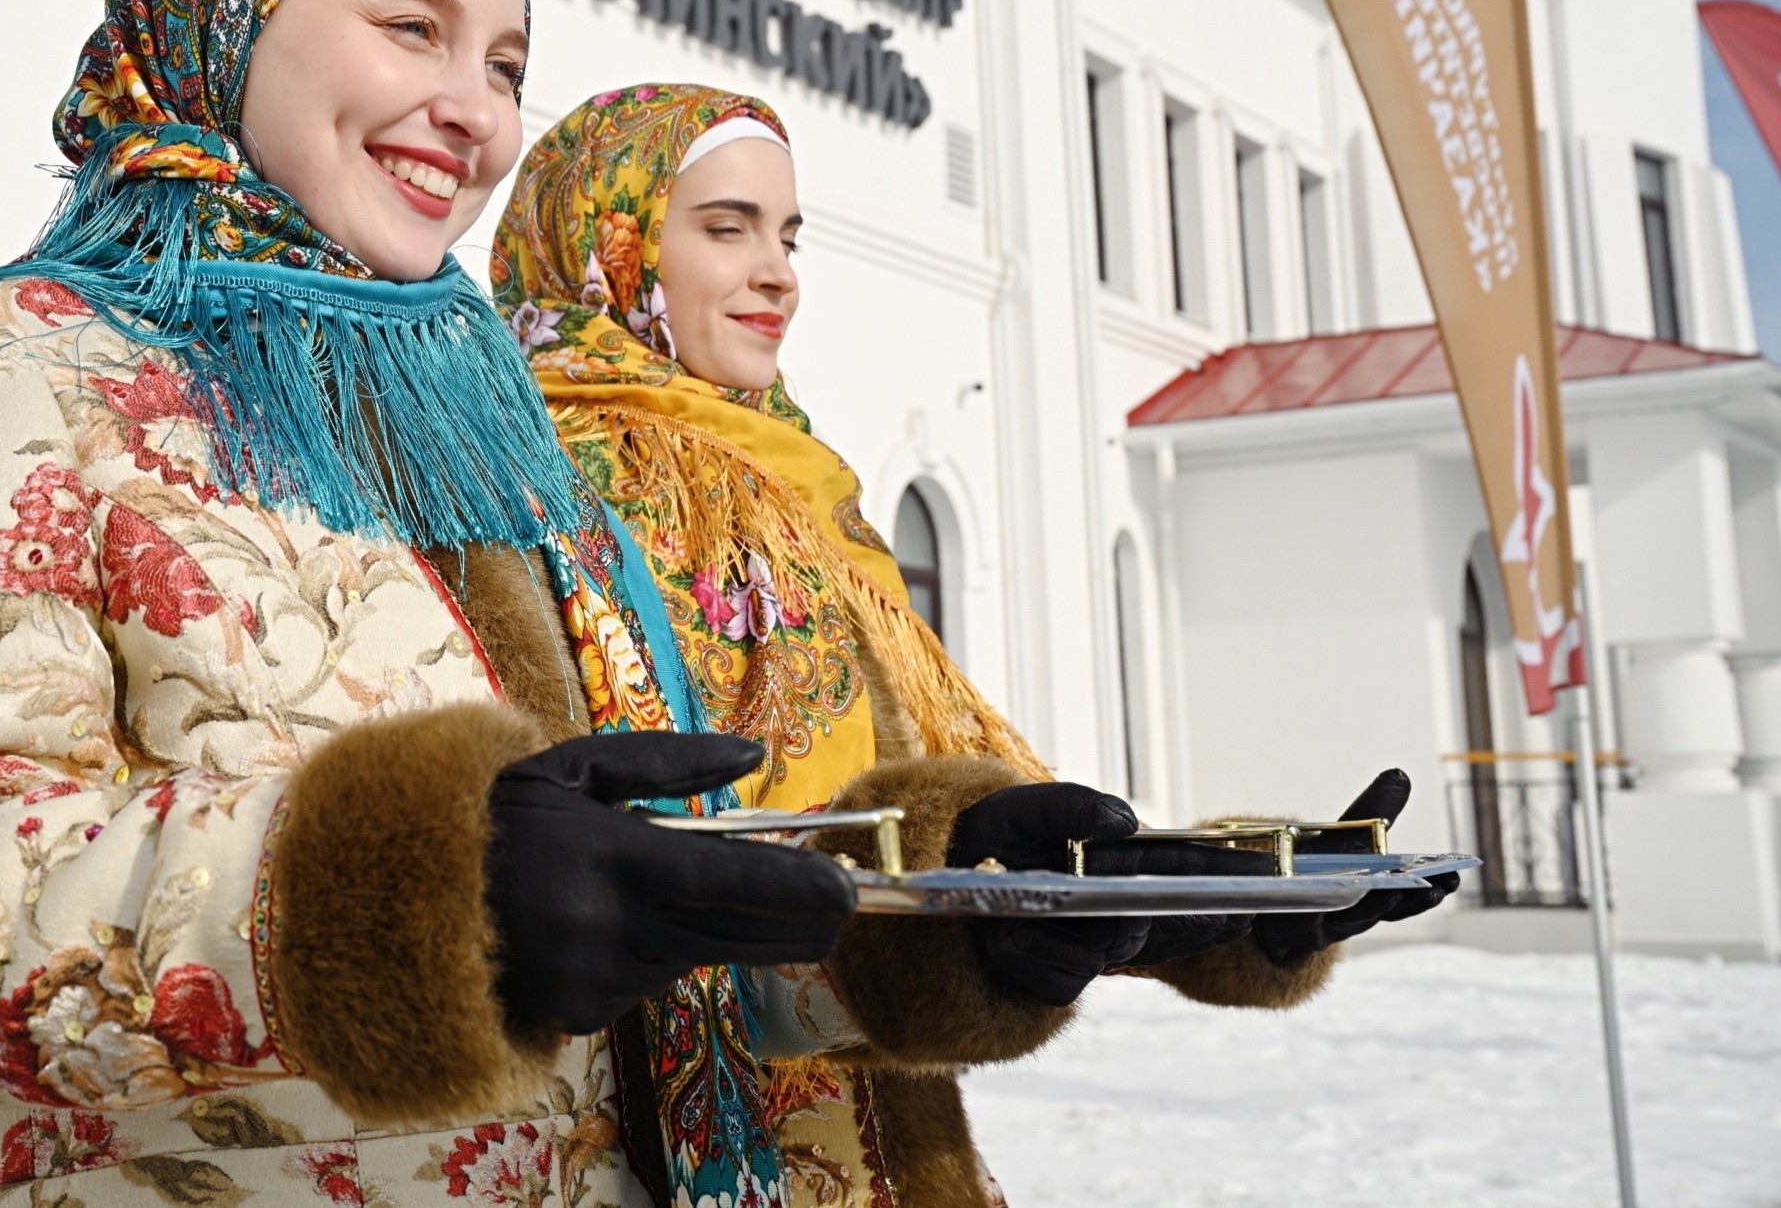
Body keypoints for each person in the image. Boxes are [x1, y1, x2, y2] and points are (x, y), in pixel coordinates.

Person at [0, 0, 862, 1208]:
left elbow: (618, 944)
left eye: (508, 66)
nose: (473, 110)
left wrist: (935, 920)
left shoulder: (486, 424)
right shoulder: (10, 365)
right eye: (415, 29)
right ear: (233, 17)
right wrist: (409, 902)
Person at [491, 84, 1455, 1207]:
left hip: (881, 1132)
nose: (778, 272)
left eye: (788, 234)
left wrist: (1230, 910)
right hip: (630, 1142)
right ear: (604, 239)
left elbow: (908, 823)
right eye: (725, 226)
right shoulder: (521, 487)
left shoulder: (805, 490)